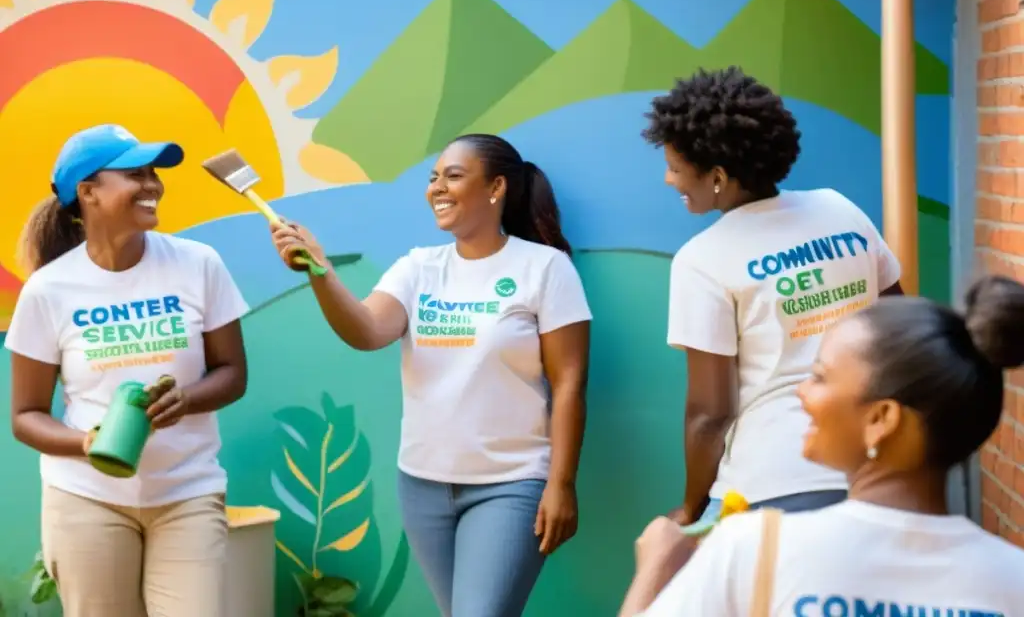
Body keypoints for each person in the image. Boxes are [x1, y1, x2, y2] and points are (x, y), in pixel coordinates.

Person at [269, 133, 592, 617]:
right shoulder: (418, 267)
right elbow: (367, 331)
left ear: (496, 187)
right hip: (422, 484)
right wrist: (320, 271)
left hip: (511, 483)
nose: (437, 188)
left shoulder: (545, 269)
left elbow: (569, 382)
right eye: (433, 177)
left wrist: (561, 484)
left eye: (454, 176)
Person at [620, 275, 1024, 616]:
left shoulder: (755, 548)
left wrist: (656, 567)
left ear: (881, 420)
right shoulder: (1013, 581)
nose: (801, 392)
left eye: (820, 376)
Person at [640, 67, 903, 526]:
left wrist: (692, 507)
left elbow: (709, 413)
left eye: (675, 168)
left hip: (776, 483)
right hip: (877, 464)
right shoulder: (840, 209)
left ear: (717, 176)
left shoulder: (702, 259)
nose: (668, 180)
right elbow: (901, 326)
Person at [5, 124, 250, 617]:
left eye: (154, 174)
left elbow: (232, 373)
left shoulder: (199, 264)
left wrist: (189, 399)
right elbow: (26, 415)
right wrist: (86, 443)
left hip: (187, 491)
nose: (153, 185)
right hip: (86, 497)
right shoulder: (48, 290)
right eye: (135, 174)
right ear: (88, 192)